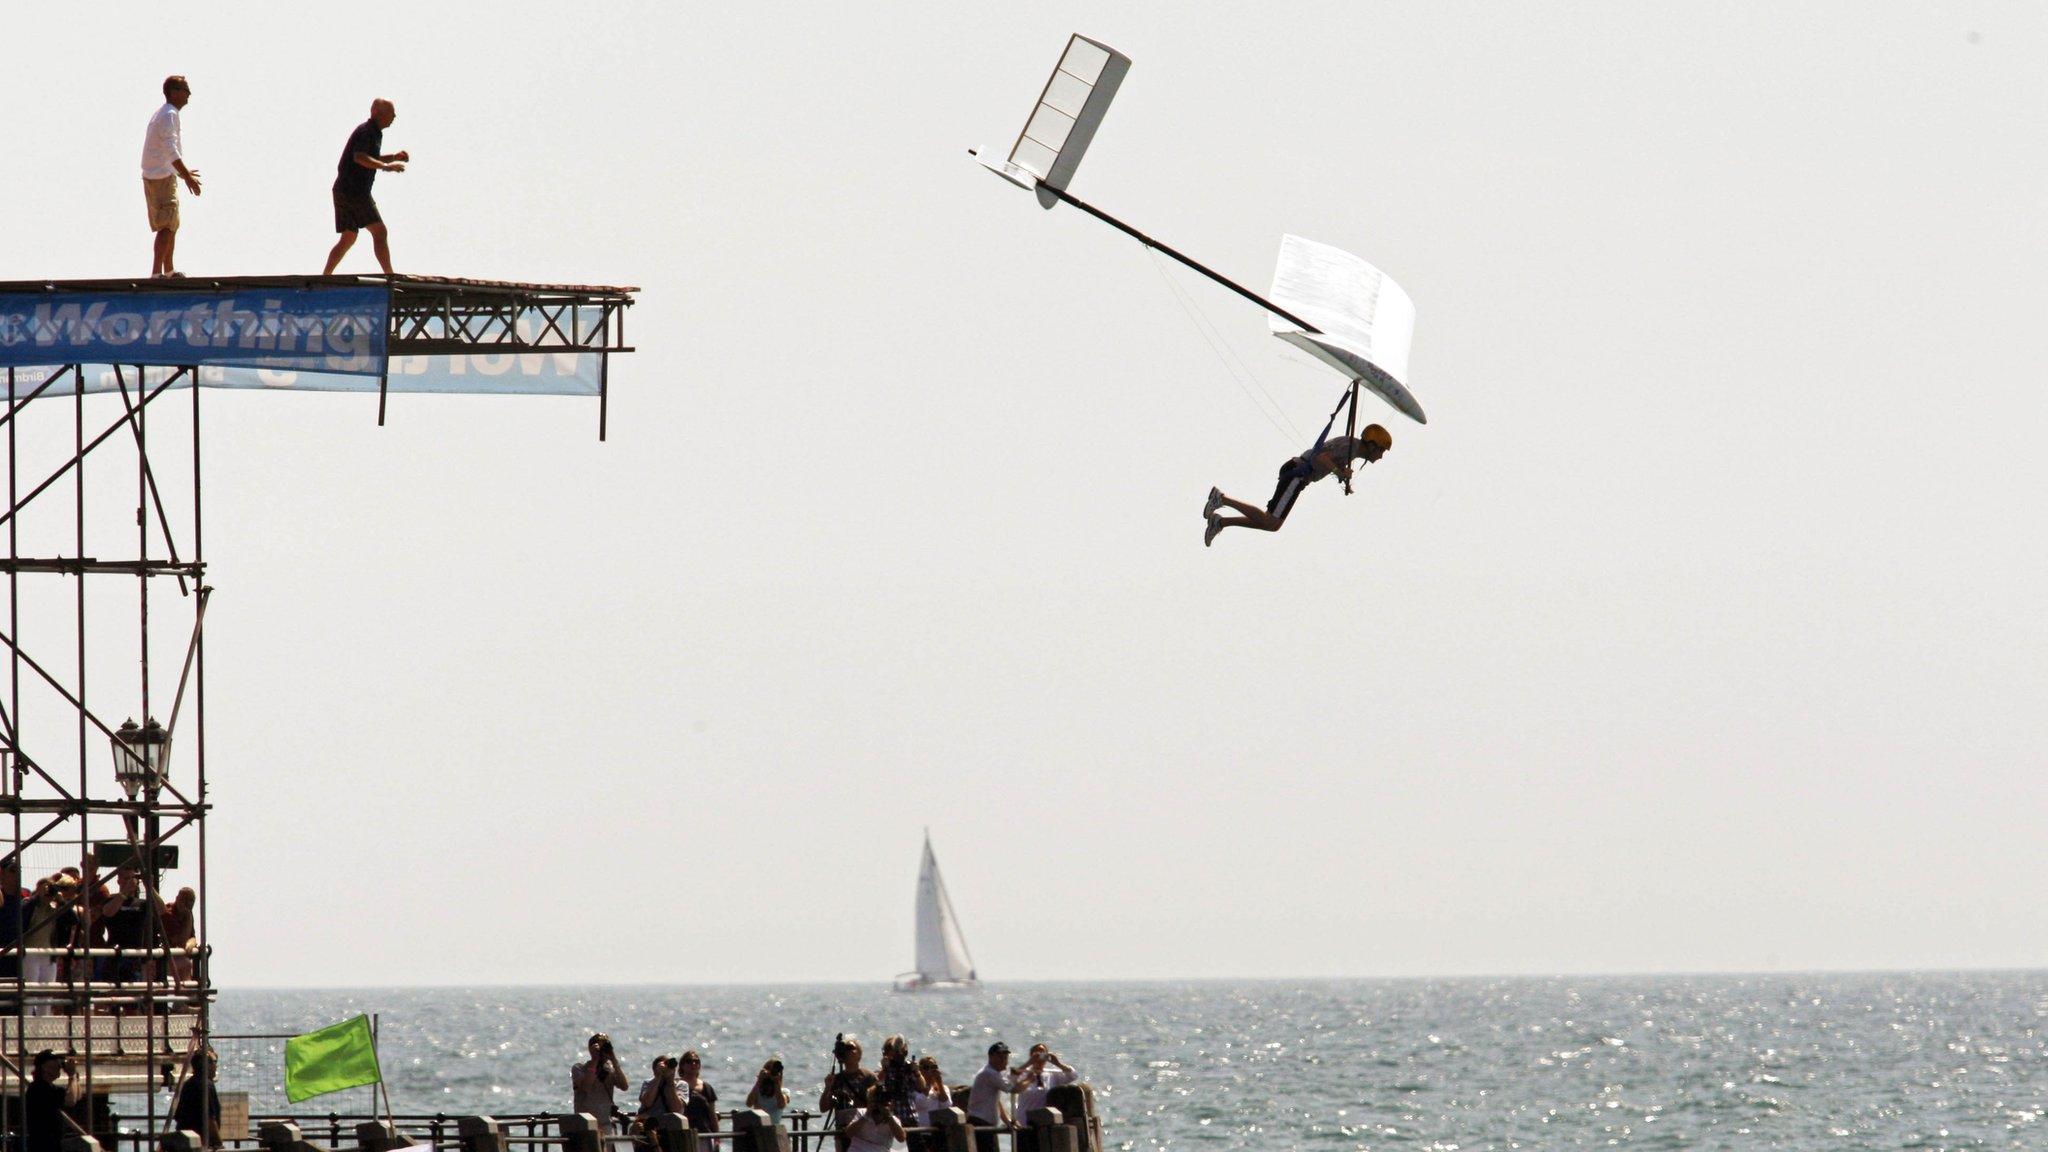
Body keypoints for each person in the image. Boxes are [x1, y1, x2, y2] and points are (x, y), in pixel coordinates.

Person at [1203, 424, 1393, 545]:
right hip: (1297, 473)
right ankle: (1221, 499)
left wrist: (1343, 476)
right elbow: (1321, 457)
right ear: (1372, 445)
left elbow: (1331, 461)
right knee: (1271, 521)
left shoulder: (1351, 449)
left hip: (1298, 477)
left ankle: (1220, 522)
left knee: (1272, 525)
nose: (1381, 456)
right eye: (1381, 451)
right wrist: (1339, 472)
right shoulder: (1350, 445)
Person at [322, 99, 409, 275]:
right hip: (354, 190)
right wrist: (386, 167)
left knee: (348, 237)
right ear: (379, 113)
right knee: (379, 232)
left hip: (343, 189)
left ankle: (325, 276)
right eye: (391, 113)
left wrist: (393, 157)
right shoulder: (366, 131)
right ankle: (389, 275)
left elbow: (371, 157)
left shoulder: (375, 133)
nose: (394, 117)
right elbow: (360, 157)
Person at [141, 76, 203, 279]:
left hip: (159, 175)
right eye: (185, 90)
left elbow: (163, 150)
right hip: (160, 177)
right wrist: (187, 177)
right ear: (174, 92)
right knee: (166, 225)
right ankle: (156, 273)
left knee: (172, 223)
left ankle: (168, 270)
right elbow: (170, 149)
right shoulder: (169, 114)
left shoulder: (164, 114)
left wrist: (181, 173)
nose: (189, 95)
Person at [23, 1050, 82, 1152]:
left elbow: (77, 1096)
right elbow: (70, 1100)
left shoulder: (51, 1088)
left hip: (55, 1143)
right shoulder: (39, 1088)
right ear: (44, 1067)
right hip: (43, 1145)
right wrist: (71, 1076)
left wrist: (75, 1076)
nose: (59, 1064)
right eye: (55, 1061)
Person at [572, 1033, 629, 1134]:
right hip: (586, 1125)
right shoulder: (579, 1068)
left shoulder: (609, 1069)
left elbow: (624, 1086)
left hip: (605, 1124)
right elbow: (586, 1086)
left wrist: (613, 1060)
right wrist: (595, 1060)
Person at [1009, 1045, 1077, 1124]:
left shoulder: (1052, 1074)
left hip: (1045, 1122)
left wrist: (1058, 1063)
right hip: (1025, 1121)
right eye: (1037, 1054)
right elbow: (1011, 1078)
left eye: (1043, 1054)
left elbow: (1073, 1075)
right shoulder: (1024, 1073)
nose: (1040, 1058)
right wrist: (1029, 1063)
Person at [172, 1043, 221, 1148]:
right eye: (214, 1062)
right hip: (200, 1143)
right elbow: (210, 1119)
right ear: (205, 1065)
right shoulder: (206, 1085)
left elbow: (178, 1116)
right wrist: (219, 1143)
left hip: (184, 1141)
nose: (216, 1066)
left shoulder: (188, 1084)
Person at [965, 1042, 1012, 1152]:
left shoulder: (995, 1074)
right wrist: (1030, 1074)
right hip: (980, 1122)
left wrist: (1006, 1120)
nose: (1003, 1060)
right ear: (990, 1057)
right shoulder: (989, 1073)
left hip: (989, 1124)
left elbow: (996, 1101)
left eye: (1005, 1057)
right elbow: (1011, 1088)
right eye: (1000, 1056)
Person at [819, 1033, 876, 1112]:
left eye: (852, 1048)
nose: (850, 1052)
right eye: (847, 1049)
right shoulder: (837, 1079)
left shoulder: (868, 1076)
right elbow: (823, 1108)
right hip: (843, 1122)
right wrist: (827, 1088)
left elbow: (878, 1105)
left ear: (859, 1054)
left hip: (863, 1122)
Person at [843, 1084, 906, 1152]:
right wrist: (867, 1115)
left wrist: (888, 1116)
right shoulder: (861, 1113)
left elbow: (901, 1139)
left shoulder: (893, 1120)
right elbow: (848, 1133)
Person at [907, 1057, 950, 1152]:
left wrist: (939, 1083)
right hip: (920, 1133)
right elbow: (920, 1103)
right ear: (920, 1070)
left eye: (933, 1067)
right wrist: (928, 1085)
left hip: (936, 1132)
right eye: (927, 1067)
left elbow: (946, 1105)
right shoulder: (913, 1089)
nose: (930, 1071)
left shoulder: (941, 1088)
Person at [877, 1035, 918, 1132]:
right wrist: (885, 1069)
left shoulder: (908, 1067)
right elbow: (877, 1084)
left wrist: (916, 1071)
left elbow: (922, 1087)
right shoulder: (885, 1069)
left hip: (910, 1116)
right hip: (892, 1119)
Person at [161, 887, 199, 987]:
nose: (188, 903)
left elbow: (192, 937)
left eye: (191, 901)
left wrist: (190, 943)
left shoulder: (187, 914)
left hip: (174, 957)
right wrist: (189, 918)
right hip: (160, 959)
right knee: (186, 965)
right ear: (177, 898)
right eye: (185, 899)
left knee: (190, 969)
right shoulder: (168, 913)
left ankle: (183, 1000)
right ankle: (183, 999)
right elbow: (180, 941)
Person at [676, 1050, 718, 1133]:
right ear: (682, 1065)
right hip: (682, 1132)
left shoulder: (707, 1087)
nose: (693, 1064)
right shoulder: (675, 1085)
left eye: (696, 1061)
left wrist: (716, 1135)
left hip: (704, 1132)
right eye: (689, 1061)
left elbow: (712, 1114)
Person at [638, 1054, 685, 1122]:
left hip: (671, 1124)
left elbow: (676, 1108)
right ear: (654, 1070)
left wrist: (670, 1081)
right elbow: (647, 1103)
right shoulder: (648, 1083)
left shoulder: (681, 1084)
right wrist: (658, 1077)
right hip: (650, 1124)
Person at [745, 1059, 789, 1127]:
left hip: (774, 1129)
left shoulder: (784, 1091)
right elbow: (749, 1103)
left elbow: (781, 1105)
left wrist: (776, 1083)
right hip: (759, 1128)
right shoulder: (757, 1091)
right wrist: (759, 1080)